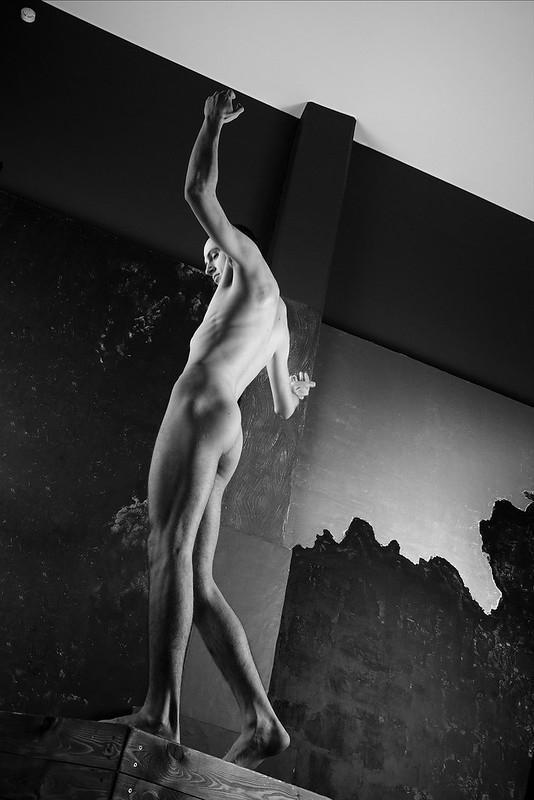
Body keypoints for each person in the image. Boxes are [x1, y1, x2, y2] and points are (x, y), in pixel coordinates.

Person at [104, 89, 315, 770]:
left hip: (200, 406)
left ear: (234, 244)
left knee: (166, 546)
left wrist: (210, 124)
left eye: (212, 253)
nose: (209, 264)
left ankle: (159, 713)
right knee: (197, 575)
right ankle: (262, 721)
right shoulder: (277, 320)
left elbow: (198, 190)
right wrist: (297, 387)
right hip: (232, 428)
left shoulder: (248, 261)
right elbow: (283, 405)